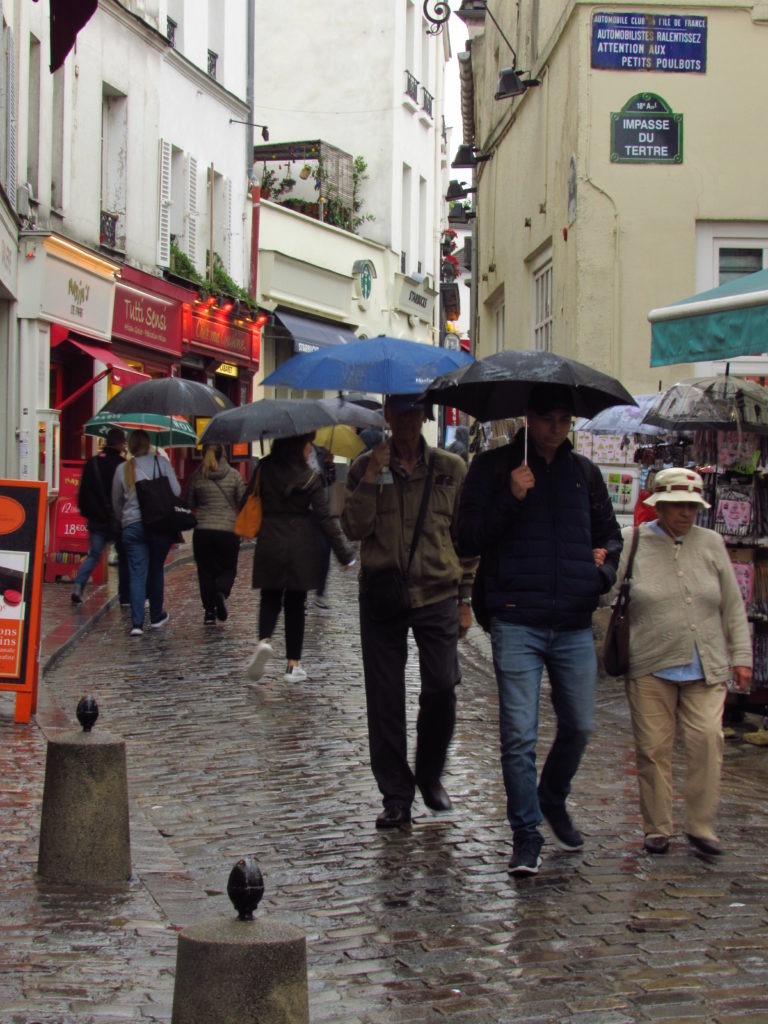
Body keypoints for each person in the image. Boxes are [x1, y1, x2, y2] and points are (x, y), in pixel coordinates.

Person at [458, 384, 622, 876]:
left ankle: (552, 796)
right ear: (529, 417)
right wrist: (510, 496)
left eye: (565, 419)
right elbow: (466, 537)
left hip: (572, 620)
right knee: (518, 736)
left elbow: (609, 537)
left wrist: (601, 571)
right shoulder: (492, 468)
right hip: (515, 618)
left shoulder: (583, 476)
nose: (557, 426)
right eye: (549, 417)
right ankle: (526, 833)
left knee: (579, 725)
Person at [341, 394, 477, 830]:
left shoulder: (450, 470)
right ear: (387, 415)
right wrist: (371, 476)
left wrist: (466, 598)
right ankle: (396, 795)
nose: (406, 420)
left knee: (442, 686)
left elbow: (466, 538)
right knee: (385, 700)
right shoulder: (365, 465)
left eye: (414, 412)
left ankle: (430, 772)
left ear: (425, 416)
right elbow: (352, 528)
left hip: (437, 592)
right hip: (382, 594)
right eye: (399, 412)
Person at [607, 467, 752, 858]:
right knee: (653, 749)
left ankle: (701, 827)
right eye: (676, 506)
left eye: (691, 506)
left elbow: (732, 605)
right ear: (658, 505)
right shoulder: (632, 541)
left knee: (708, 740)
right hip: (650, 665)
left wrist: (742, 656)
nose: (685, 514)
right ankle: (657, 828)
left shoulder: (712, 543)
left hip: (705, 664)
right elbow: (607, 597)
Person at [247, 432, 355, 683]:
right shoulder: (310, 478)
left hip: (270, 540)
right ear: (298, 445)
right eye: (308, 444)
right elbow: (324, 518)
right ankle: (292, 665)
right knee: (295, 603)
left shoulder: (264, 468)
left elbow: (247, 499)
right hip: (299, 544)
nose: (310, 449)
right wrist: (344, 554)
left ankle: (264, 640)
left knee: (270, 595)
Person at [111, 429, 181, 636]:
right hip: (159, 524)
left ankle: (137, 623)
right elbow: (176, 491)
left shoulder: (123, 469)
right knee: (156, 568)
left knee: (137, 573)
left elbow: (116, 502)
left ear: (130, 446)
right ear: (148, 444)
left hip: (132, 526)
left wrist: (123, 519)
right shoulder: (162, 464)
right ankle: (157, 615)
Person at [184, 443, 245, 625]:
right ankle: (221, 591)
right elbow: (242, 502)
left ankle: (209, 612)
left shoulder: (197, 475)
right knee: (229, 568)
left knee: (205, 571)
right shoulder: (234, 475)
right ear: (224, 454)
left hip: (203, 530)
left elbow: (188, 501)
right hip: (227, 529)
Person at [71, 427, 129, 606]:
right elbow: (125, 493)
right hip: (117, 519)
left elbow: (82, 493)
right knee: (123, 556)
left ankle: (79, 585)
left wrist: (87, 512)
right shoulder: (122, 465)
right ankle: (124, 595)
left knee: (94, 555)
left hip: (96, 519)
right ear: (120, 444)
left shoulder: (92, 463)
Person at [306, 442, 336, 611]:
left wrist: (330, 465)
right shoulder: (292, 453)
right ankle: (297, 591)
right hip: (299, 512)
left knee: (324, 549)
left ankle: (320, 591)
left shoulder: (320, 452)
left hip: (318, 510)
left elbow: (330, 481)